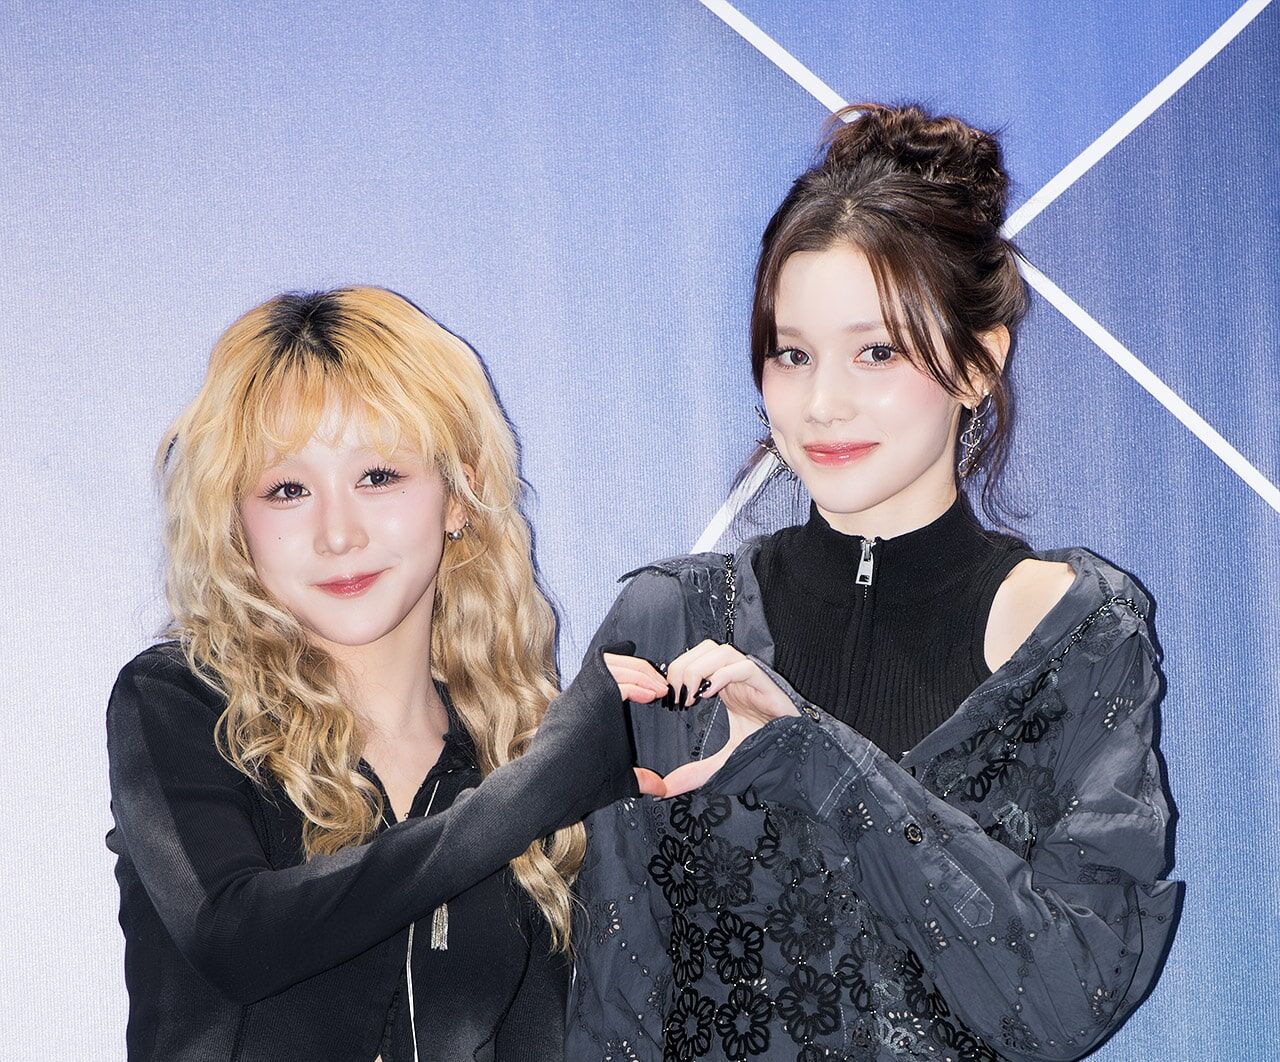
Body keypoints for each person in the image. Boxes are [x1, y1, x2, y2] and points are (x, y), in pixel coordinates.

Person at [568, 103, 1183, 1061]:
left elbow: (1068, 999)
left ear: (978, 364)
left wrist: (818, 757)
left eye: (877, 352)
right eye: (793, 354)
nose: (822, 403)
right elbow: (612, 1009)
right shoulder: (673, 622)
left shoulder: (1079, 636)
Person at [103, 286, 659, 1061]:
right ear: (237, 522)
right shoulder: (182, 703)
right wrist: (538, 789)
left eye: (378, 477)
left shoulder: (514, 754)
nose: (338, 533)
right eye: (289, 490)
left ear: (458, 496)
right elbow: (234, 937)